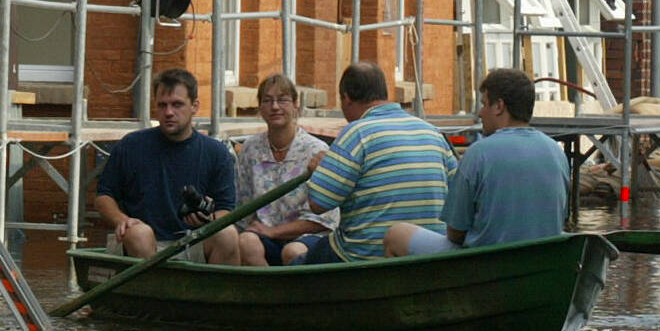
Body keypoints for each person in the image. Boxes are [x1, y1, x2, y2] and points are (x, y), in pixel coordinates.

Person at [285, 62, 455, 265]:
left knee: (294, 261)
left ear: (346, 98)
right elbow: (458, 191)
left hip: (363, 257)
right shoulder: (431, 132)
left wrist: (319, 172)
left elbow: (319, 204)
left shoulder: (356, 133)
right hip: (426, 253)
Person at [386, 67, 568, 255]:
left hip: (485, 262)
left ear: (499, 106)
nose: (480, 113)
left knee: (396, 234)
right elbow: (559, 219)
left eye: (484, 104)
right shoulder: (556, 151)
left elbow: (455, 233)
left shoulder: (479, 153)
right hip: (541, 256)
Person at [92, 68, 244, 263]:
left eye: (177, 105)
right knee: (139, 233)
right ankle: (152, 291)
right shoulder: (131, 145)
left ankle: (216, 293)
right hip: (140, 244)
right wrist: (122, 220)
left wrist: (208, 220)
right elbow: (104, 196)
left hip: (192, 241)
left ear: (195, 106)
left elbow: (226, 209)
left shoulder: (216, 153)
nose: (169, 112)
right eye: (162, 105)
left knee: (227, 234)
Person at [230, 73, 335, 267]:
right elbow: (242, 208)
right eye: (267, 101)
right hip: (265, 237)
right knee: (245, 242)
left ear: (296, 104)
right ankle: (268, 294)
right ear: (260, 108)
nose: (275, 107)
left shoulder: (317, 151)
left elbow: (325, 219)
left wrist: (275, 231)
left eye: (282, 100)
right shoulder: (250, 149)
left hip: (308, 238)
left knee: (292, 252)